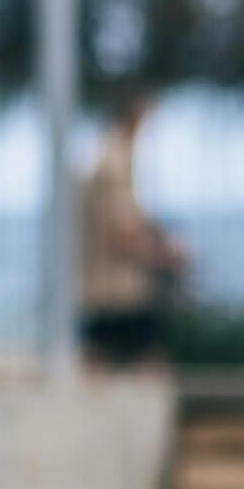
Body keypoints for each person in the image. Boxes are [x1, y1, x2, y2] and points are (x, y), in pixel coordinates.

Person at [79, 98, 189, 368]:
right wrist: (164, 254)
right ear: (133, 119)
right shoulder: (113, 165)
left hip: (111, 288)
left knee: (104, 361)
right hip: (118, 290)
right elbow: (121, 231)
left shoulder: (113, 160)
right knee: (142, 363)